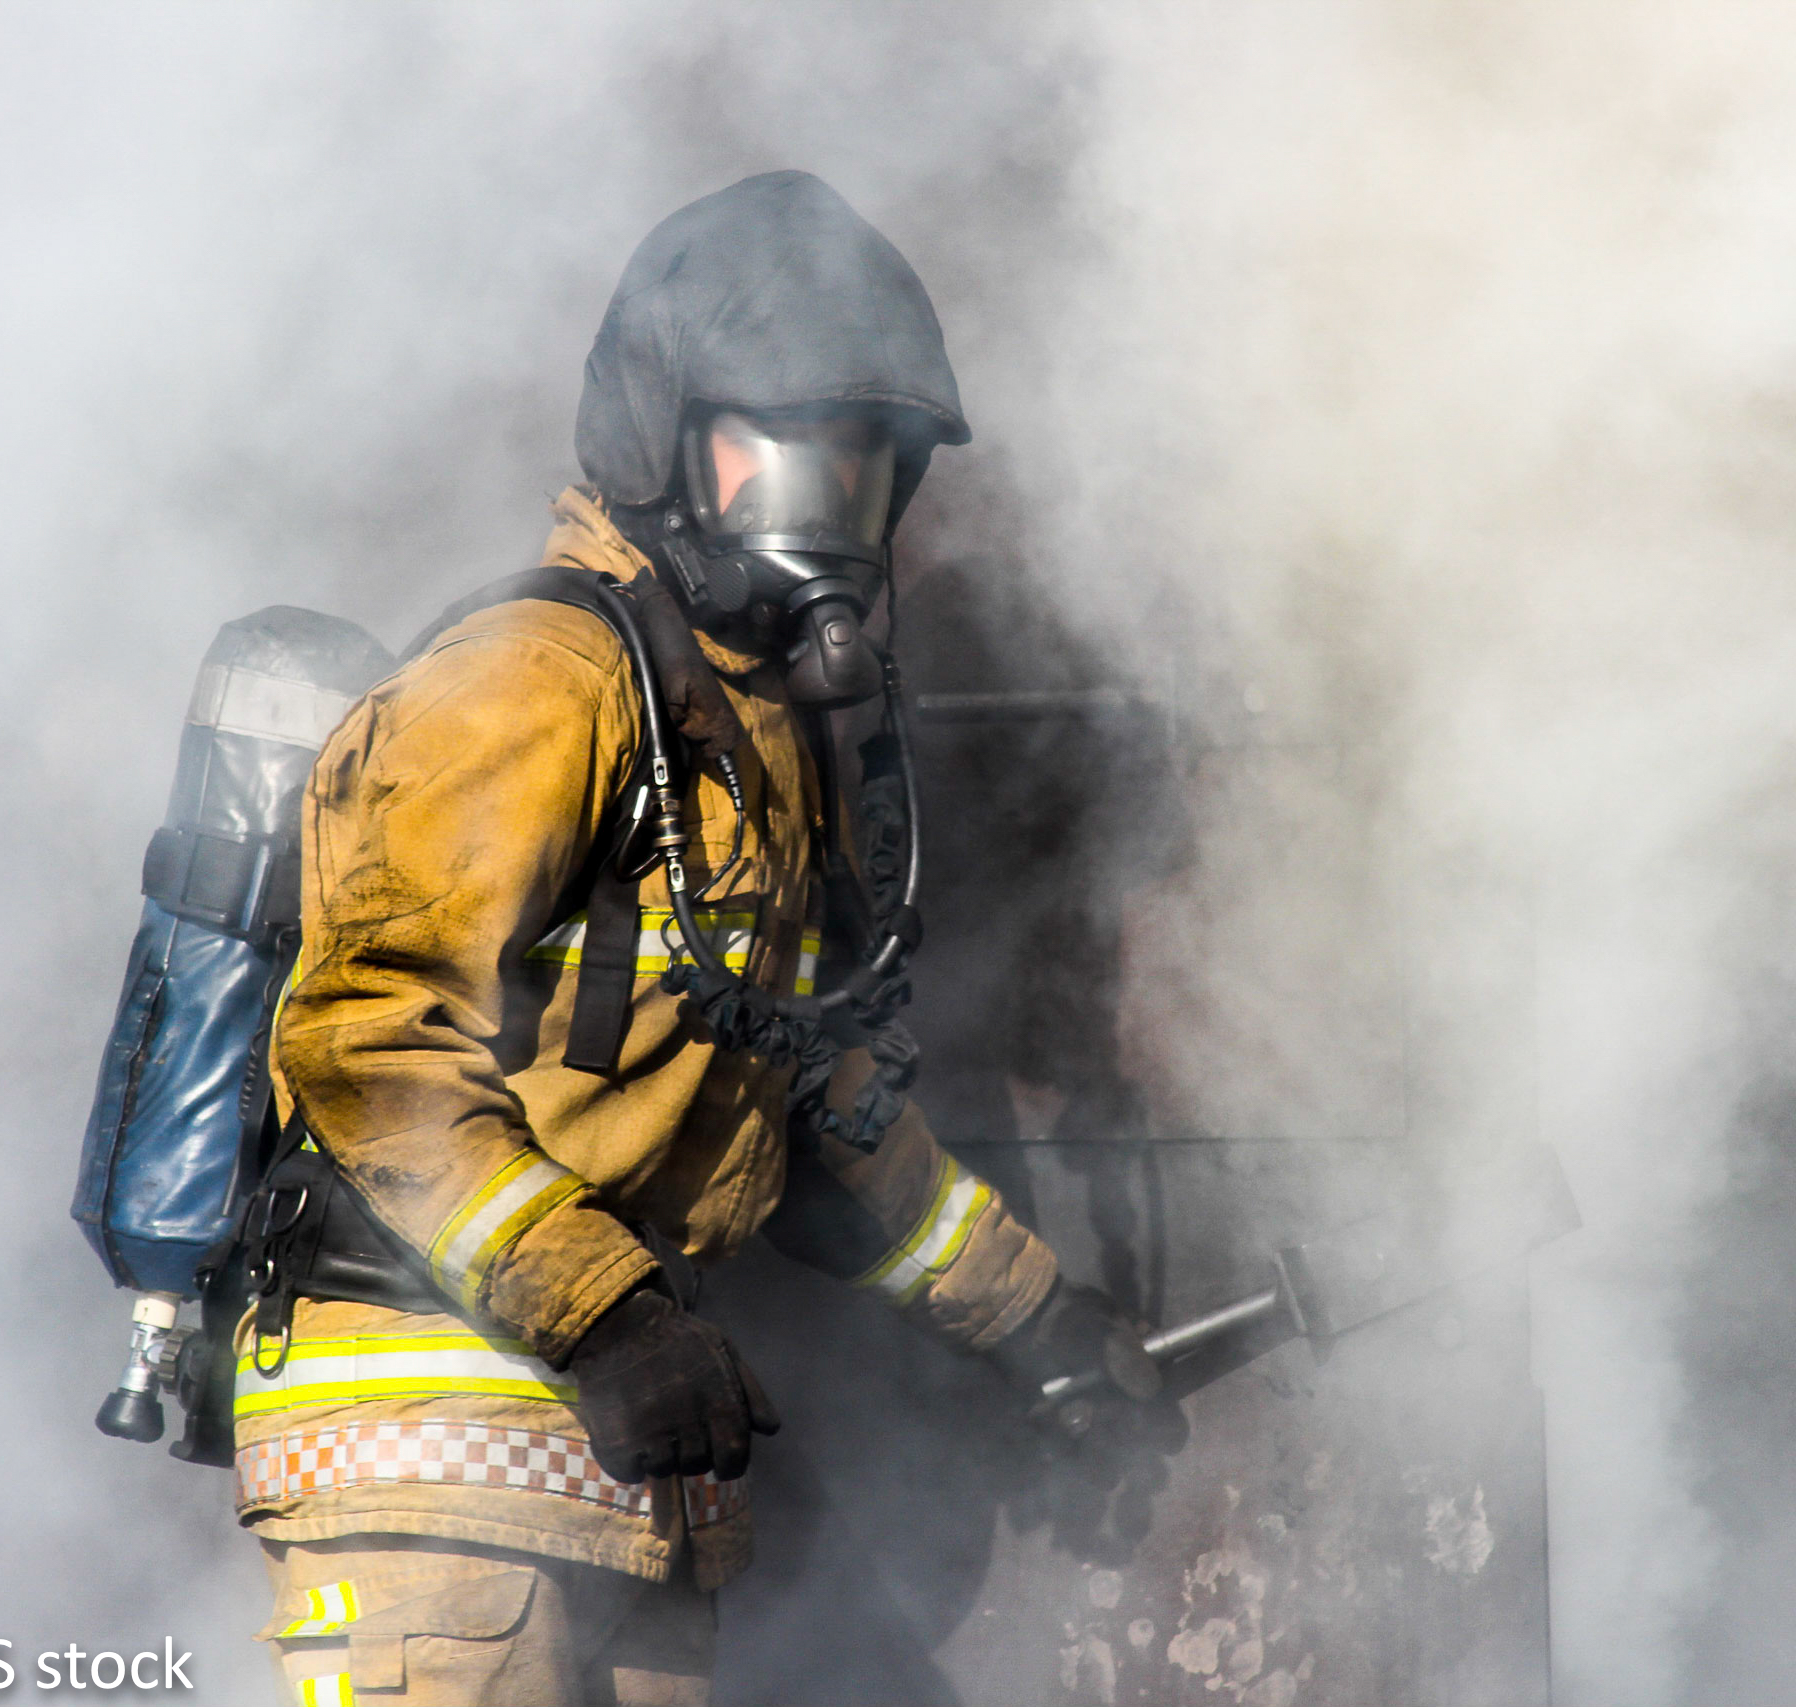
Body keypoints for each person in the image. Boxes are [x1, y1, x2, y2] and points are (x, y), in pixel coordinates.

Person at [236, 170, 1155, 1707]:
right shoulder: (528, 681)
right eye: (781, 460)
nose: (828, 519)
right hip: (422, 1455)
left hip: (630, 1470)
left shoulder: (742, 729)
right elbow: (362, 1039)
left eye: (861, 474)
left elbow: (813, 1102)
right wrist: (604, 1312)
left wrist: (1040, 1322)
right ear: (664, 445)